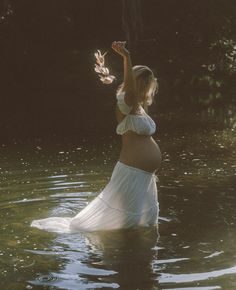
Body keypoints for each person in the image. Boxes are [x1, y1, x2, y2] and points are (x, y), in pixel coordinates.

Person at [31, 41, 161, 233]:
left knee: (144, 224)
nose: (142, 85)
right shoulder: (124, 103)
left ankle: (139, 255)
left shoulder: (140, 108)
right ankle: (124, 256)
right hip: (132, 172)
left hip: (145, 176)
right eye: (139, 80)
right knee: (126, 223)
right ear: (132, 81)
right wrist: (126, 57)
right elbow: (131, 91)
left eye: (146, 82)